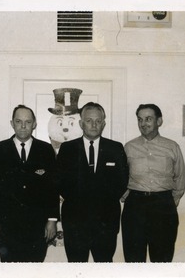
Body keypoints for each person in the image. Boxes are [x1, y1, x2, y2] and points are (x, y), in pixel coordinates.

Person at [56, 102, 129, 262]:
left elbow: (122, 182)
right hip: (75, 223)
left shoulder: (115, 148)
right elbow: (60, 183)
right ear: (81, 123)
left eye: (98, 120)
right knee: (76, 268)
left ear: (103, 123)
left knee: (103, 268)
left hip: (106, 223)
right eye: (89, 120)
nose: (94, 124)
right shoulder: (67, 149)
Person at [0, 105, 59, 262]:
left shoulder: (46, 150)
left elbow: (52, 188)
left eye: (28, 121)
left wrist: (52, 220)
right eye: (18, 121)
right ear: (12, 123)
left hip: (37, 225)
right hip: (7, 226)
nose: (23, 126)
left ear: (34, 124)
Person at [121, 103, 185, 262]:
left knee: (162, 258)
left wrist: (173, 198)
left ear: (159, 121)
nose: (143, 124)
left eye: (148, 119)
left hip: (163, 206)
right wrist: (126, 194)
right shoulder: (129, 147)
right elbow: (120, 176)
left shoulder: (172, 147)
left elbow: (180, 176)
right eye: (140, 119)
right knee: (134, 259)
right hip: (135, 207)